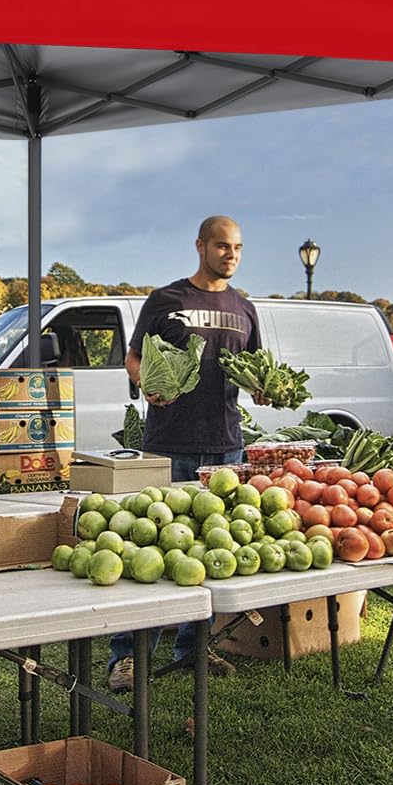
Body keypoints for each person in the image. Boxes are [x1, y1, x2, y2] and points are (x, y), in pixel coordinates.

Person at [106, 215, 260, 693]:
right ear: (200, 246)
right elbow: (133, 356)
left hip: (225, 444)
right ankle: (128, 657)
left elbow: (255, 367)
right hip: (169, 442)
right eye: (221, 246)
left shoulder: (244, 308)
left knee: (212, 547)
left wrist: (266, 388)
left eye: (236, 247)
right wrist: (145, 383)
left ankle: (194, 647)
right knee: (149, 547)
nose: (230, 254)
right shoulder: (166, 300)